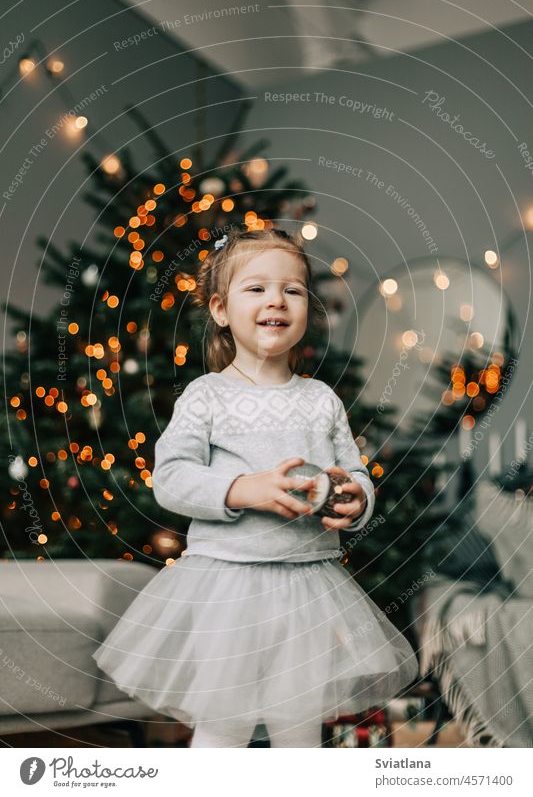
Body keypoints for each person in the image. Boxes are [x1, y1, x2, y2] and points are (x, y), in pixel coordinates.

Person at [92, 226, 419, 748]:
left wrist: (357, 498)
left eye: (292, 290)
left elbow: (351, 472)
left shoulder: (320, 400)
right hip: (228, 586)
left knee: (299, 730)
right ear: (221, 309)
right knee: (224, 728)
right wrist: (242, 489)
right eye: (257, 288)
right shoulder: (207, 395)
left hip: (308, 585)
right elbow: (171, 478)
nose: (277, 300)